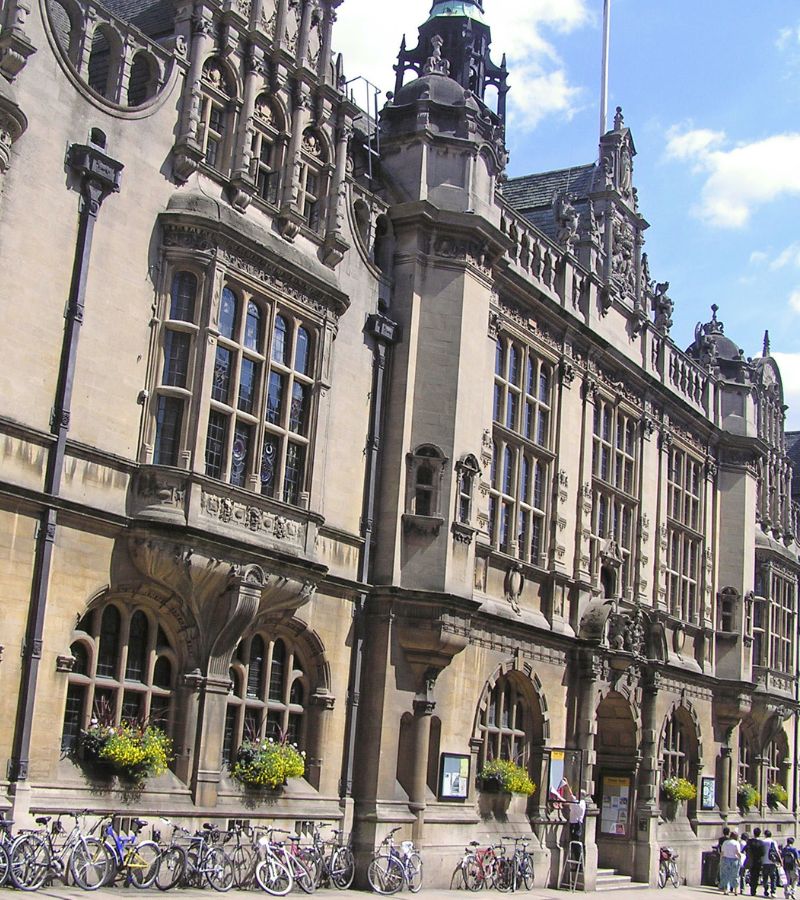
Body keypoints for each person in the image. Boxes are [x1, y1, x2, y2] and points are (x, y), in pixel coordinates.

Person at [720, 831, 743, 896]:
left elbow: (722, 852)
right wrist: (740, 858)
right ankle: (735, 890)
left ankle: (726, 890)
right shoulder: (736, 843)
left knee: (725, 875)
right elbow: (737, 852)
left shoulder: (725, 842)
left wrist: (720, 860)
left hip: (725, 859)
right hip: (734, 859)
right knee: (735, 875)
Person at [762, 830, 780, 898]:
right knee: (773, 877)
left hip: (764, 862)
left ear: (765, 835)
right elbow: (777, 852)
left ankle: (766, 890)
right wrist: (780, 860)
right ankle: (773, 891)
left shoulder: (763, 842)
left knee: (765, 877)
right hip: (772, 862)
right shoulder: (773, 842)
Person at [748, 829, 765, 897]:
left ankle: (751, 889)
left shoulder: (750, 841)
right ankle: (754, 890)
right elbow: (763, 853)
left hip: (751, 859)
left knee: (752, 875)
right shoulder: (761, 843)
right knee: (756, 875)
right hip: (758, 860)